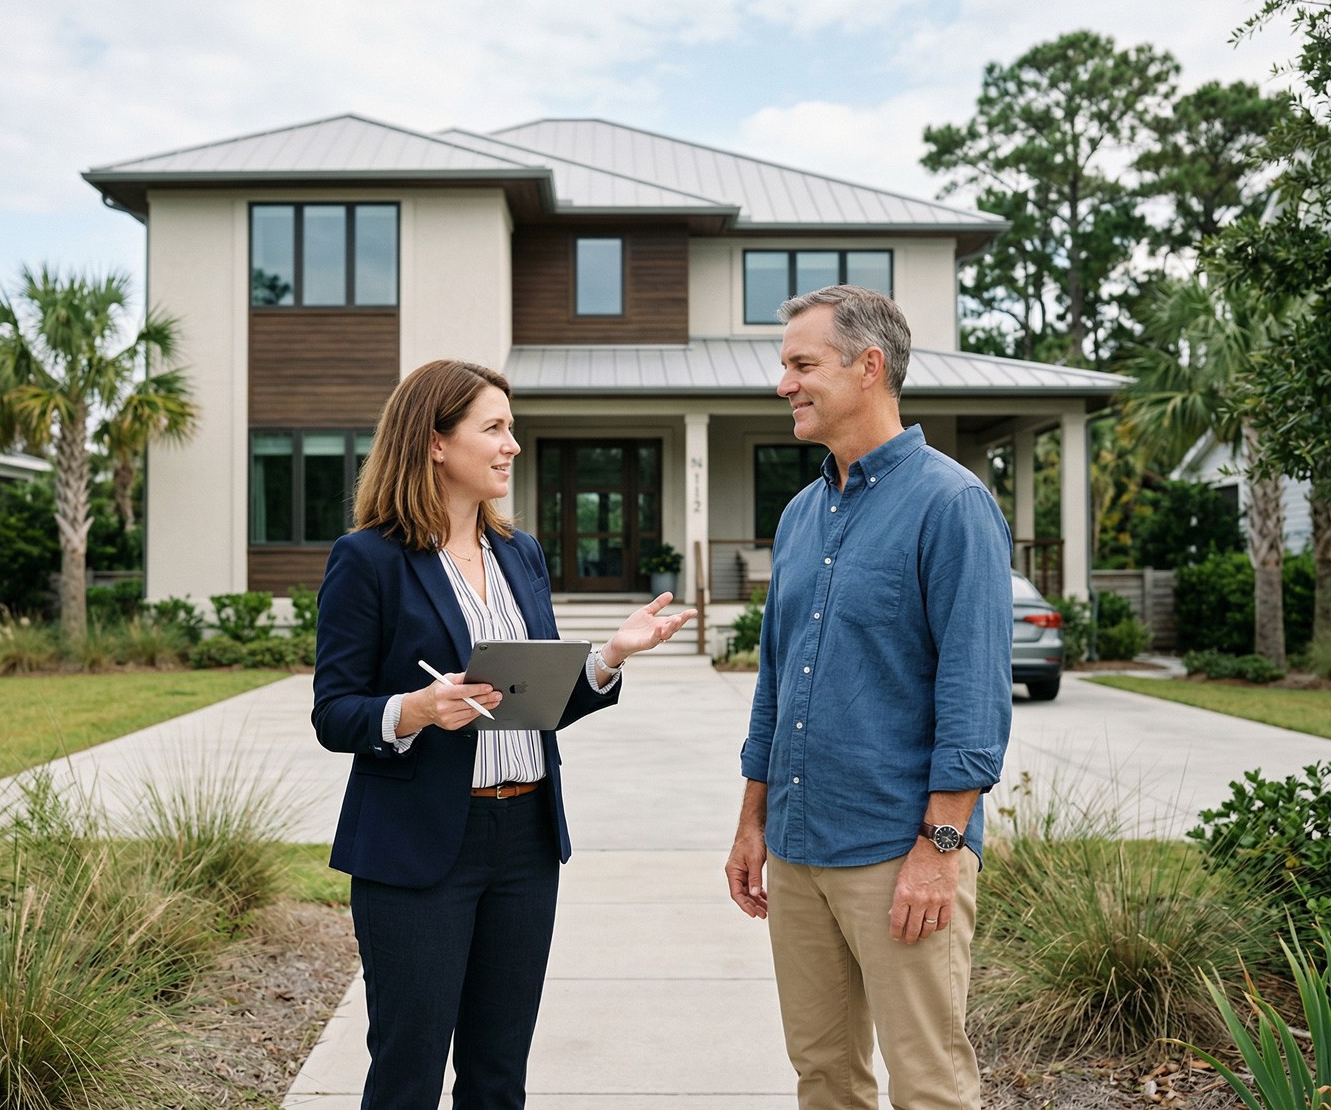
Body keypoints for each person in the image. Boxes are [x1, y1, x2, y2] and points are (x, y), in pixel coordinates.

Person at [313, 359, 695, 1110]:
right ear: (434, 443)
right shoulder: (369, 560)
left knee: (498, 1076)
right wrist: (415, 711)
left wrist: (610, 656)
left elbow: (539, 699)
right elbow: (334, 712)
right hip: (417, 849)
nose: (511, 445)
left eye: (510, 428)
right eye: (493, 428)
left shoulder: (520, 555)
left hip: (524, 838)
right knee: (407, 1073)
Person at [724, 286, 1012, 1110]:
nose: (785, 384)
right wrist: (753, 819)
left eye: (802, 364)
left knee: (928, 1086)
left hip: (900, 854)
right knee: (823, 1076)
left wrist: (940, 848)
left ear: (869, 367)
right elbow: (777, 684)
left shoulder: (951, 505)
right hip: (802, 846)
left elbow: (973, 696)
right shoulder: (801, 515)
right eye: (786, 366)